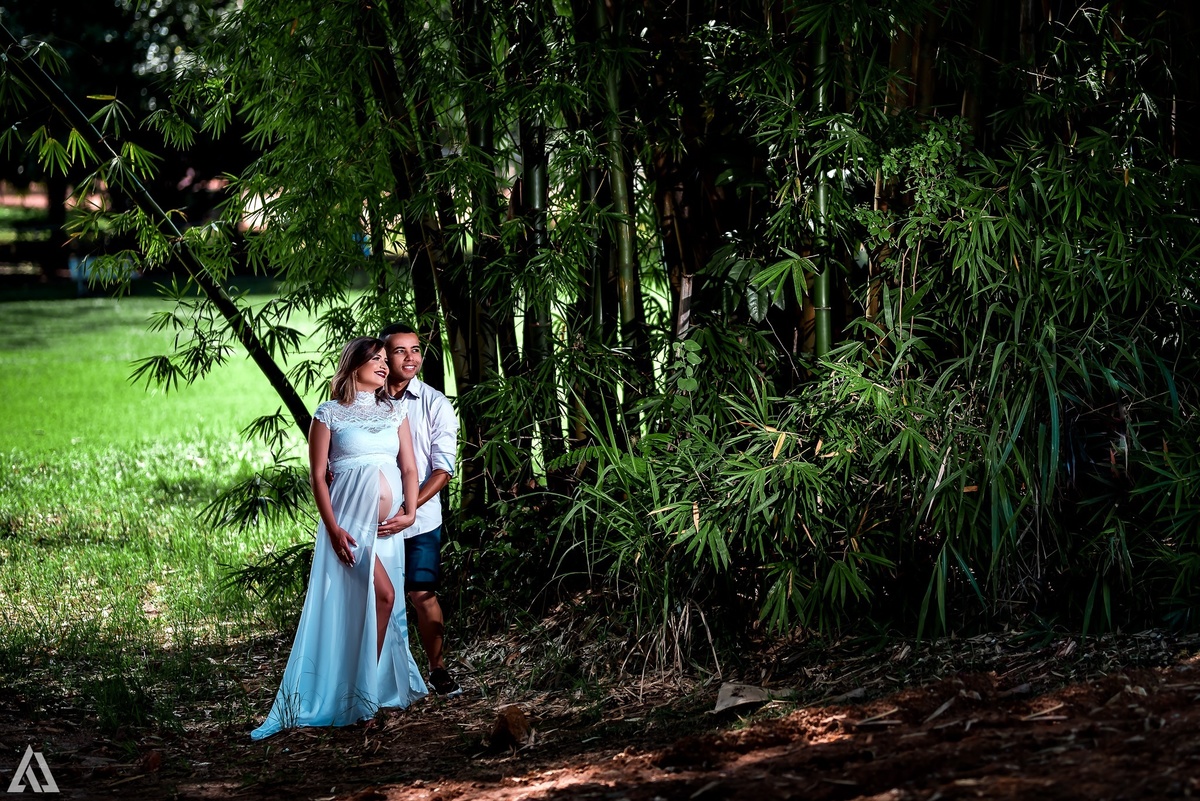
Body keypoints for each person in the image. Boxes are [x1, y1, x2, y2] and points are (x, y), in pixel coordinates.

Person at [251, 337, 427, 740]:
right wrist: (332, 530)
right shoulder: (328, 414)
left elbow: (409, 468)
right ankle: (357, 697)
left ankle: (360, 692)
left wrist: (411, 511)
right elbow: (317, 476)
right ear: (353, 365)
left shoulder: (394, 410)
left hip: (386, 529)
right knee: (379, 599)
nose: (385, 365)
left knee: (381, 603)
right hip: (348, 526)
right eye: (376, 359)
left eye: (387, 359)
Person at [377, 323, 463, 698]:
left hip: (421, 518)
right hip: (373, 519)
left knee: (421, 592)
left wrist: (408, 507)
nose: (411, 358)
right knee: (378, 598)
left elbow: (443, 469)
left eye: (415, 350)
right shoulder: (363, 400)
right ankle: (377, 677)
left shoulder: (434, 403)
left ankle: (438, 668)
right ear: (382, 355)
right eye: (400, 351)